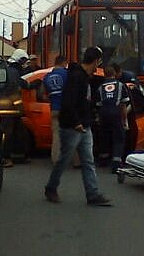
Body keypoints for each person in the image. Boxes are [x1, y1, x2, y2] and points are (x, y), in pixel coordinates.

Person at [43, 46, 112, 206]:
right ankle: (51, 187)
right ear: (95, 61)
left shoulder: (83, 76)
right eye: (98, 62)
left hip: (83, 125)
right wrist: (76, 123)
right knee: (64, 159)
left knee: (88, 161)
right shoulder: (76, 77)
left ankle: (92, 194)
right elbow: (68, 103)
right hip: (72, 127)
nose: (98, 66)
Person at [0, 48, 30, 167]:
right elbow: (14, 92)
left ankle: (18, 156)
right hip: (8, 109)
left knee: (19, 133)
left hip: (9, 109)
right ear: (19, 61)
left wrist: (30, 85)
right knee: (8, 135)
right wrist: (21, 108)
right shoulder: (13, 72)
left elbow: (21, 83)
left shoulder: (10, 70)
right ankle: (5, 158)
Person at [96, 63, 130, 173]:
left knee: (104, 137)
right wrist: (124, 121)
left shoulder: (100, 88)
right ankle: (116, 164)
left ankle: (103, 160)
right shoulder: (120, 86)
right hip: (116, 114)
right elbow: (123, 106)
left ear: (104, 74)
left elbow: (98, 106)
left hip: (104, 114)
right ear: (114, 74)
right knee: (118, 138)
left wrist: (99, 118)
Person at [43, 55, 68, 164]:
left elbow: (43, 95)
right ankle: (77, 161)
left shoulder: (47, 77)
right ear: (64, 63)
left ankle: (56, 160)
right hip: (66, 108)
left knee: (56, 136)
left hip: (54, 109)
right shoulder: (67, 74)